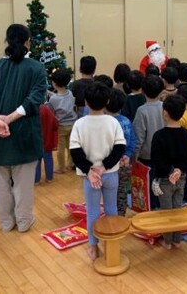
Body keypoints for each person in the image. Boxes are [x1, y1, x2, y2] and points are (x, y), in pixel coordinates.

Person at [0, 24, 47, 233]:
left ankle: (6, 223)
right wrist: (11, 118)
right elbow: (35, 99)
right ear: (27, 42)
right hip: (24, 135)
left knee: (0, 186)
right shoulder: (35, 68)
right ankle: (24, 222)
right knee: (23, 185)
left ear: (7, 41)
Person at [69, 82, 126, 260]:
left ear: (85, 102)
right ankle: (112, 242)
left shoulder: (79, 124)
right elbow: (120, 147)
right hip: (110, 174)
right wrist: (105, 166)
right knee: (111, 208)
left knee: (92, 210)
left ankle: (93, 247)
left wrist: (89, 171)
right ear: (107, 101)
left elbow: (75, 151)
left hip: (91, 177)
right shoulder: (113, 122)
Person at [151, 95, 187, 249]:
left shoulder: (159, 136)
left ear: (165, 113)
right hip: (181, 178)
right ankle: (177, 239)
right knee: (177, 208)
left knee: (166, 211)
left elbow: (157, 159)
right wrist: (179, 170)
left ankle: (168, 241)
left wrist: (170, 171)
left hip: (165, 179)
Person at [133, 75, 165, 208]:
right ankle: (161, 204)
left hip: (147, 154)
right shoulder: (165, 106)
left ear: (142, 91)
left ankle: (152, 206)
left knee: (149, 182)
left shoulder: (141, 111)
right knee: (161, 181)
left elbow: (139, 137)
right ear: (161, 91)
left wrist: (135, 156)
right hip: (163, 152)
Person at [105, 88, 136, 217]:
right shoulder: (126, 121)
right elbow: (132, 140)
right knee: (122, 190)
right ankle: (121, 215)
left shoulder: (105, 122)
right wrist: (127, 155)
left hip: (109, 164)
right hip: (125, 162)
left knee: (109, 192)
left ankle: (111, 216)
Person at [47, 69, 77, 173]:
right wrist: (50, 93)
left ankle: (61, 168)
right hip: (72, 123)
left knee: (60, 148)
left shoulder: (53, 99)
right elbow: (61, 98)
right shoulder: (70, 93)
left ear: (54, 83)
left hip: (61, 126)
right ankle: (71, 164)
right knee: (70, 146)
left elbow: (52, 111)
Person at [35, 104, 58, 184]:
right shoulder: (47, 110)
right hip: (47, 139)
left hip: (36, 141)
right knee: (48, 158)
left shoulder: (32, 110)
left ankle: (36, 180)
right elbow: (55, 123)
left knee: (36, 161)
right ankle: (49, 178)